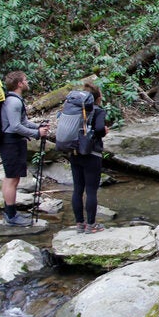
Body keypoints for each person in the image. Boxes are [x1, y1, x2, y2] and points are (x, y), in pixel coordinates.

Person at [0, 70, 49, 227]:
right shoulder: (14, 102)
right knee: (12, 179)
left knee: (12, 178)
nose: (27, 82)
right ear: (19, 84)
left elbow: (23, 122)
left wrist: (38, 126)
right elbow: (15, 126)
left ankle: (10, 211)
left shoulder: (15, 100)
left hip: (12, 142)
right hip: (11, 143)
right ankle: (11, 216)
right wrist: (36, 133)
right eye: (25, 80)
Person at [69, 82, 108, 233]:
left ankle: (80, 224)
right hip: (91, 153)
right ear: (98, 98)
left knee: (77, 189)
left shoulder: (75, 109)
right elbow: (99, 129)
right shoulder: (98, 110)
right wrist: (104, 131)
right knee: (91, 190)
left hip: (74, 152)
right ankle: (91, 225)